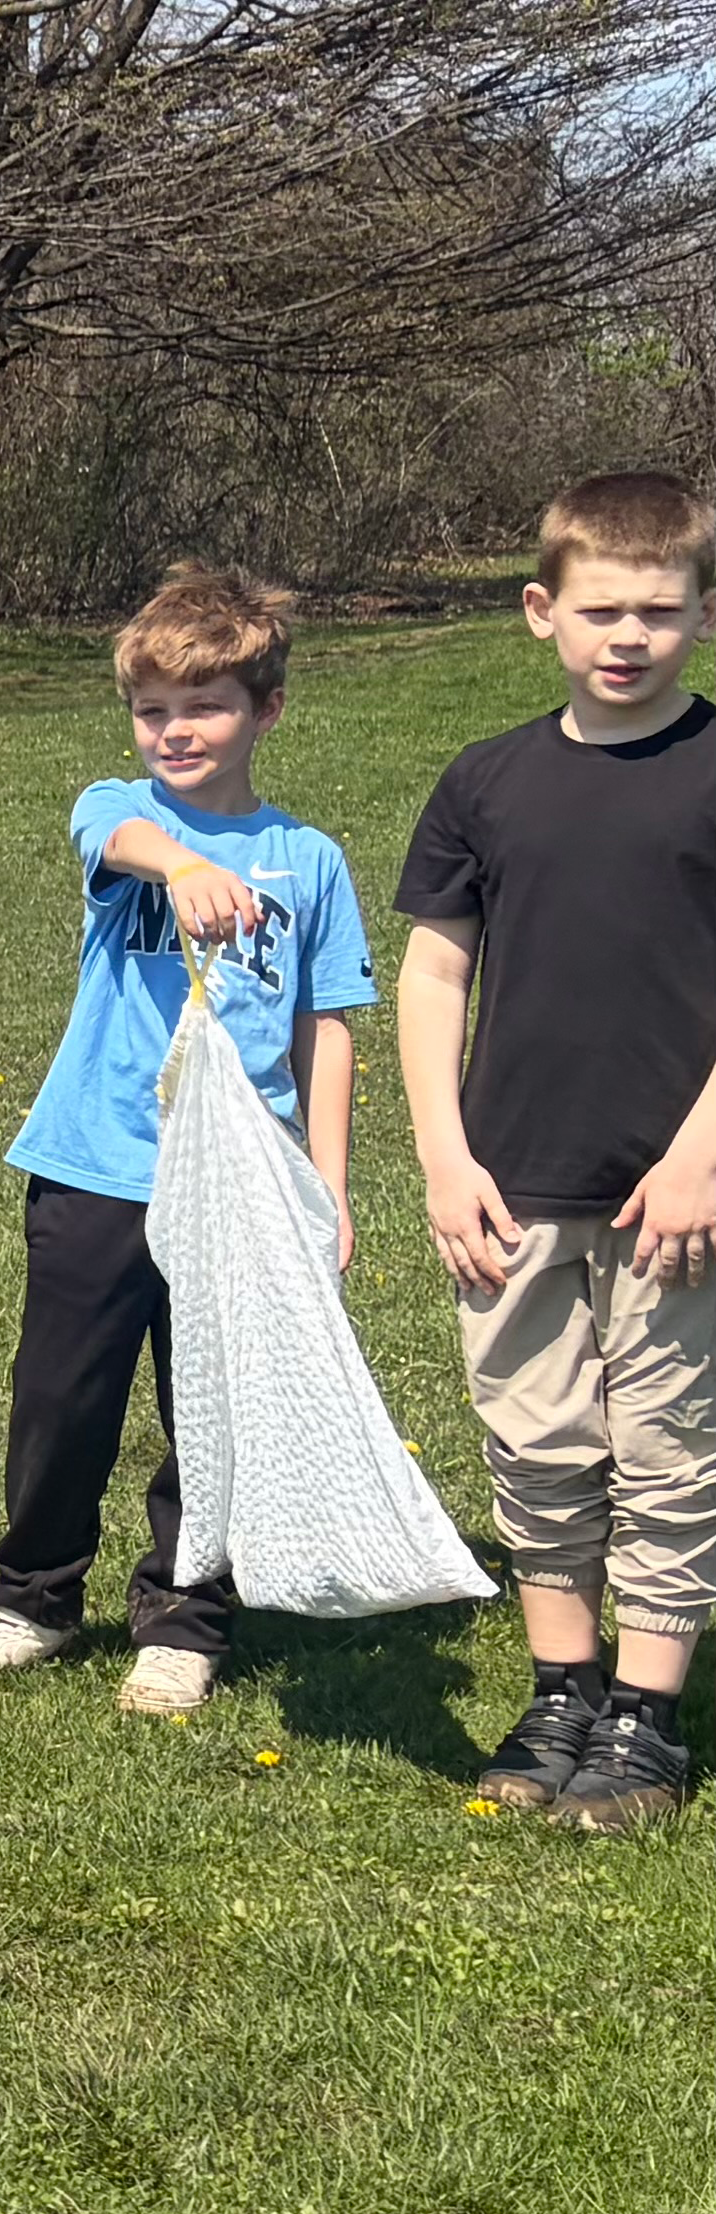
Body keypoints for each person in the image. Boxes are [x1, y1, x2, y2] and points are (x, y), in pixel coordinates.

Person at [0, 570, 370, 1714]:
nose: (174, 730)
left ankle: (183, 1619)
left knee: (207, 1406)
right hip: (94, 1164)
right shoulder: (123, 816)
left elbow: (326, 1029)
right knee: (60, 1398)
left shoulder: (307, 860)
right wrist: (179, 864)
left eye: (204, 705)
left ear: (265, 710)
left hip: (239, 1182)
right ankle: (30, 1600)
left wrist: (327, 1186)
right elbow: (105, 830)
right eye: (153, 708)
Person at [401, 470, 716, 1831]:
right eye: (601, 609)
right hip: (510, 1183)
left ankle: (645, 1720)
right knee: (534, 1444)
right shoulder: (484, 780)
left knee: (664, 1449)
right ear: (541, 612)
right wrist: (439, 1154)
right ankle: (560, 1691)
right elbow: (428, 974)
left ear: (701, 613)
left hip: (676, 1190)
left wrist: (705, 1152)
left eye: (659, 609)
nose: (628, 634)